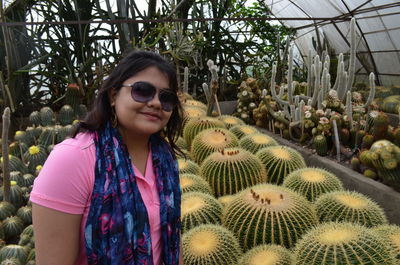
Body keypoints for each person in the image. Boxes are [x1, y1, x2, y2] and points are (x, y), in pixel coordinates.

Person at [30, 50, 184, 265]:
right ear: (113, 96)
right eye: (142, 91)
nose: (156, 103)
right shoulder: (73, 158)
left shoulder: (164, 158)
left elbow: (170, 240)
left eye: (166, 97)